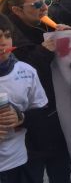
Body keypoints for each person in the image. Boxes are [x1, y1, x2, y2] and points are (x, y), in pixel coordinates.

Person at [1, 0, 71, 183]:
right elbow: (17, 71)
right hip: (29, 135)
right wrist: (43, 52)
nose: (44, 7)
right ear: (16, 10)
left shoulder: (47, 23)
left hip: (55, 124)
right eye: (37, 3)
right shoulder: (9, 34)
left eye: (47, 1)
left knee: (61, 174)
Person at [0, 14, 49, 183]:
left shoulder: (26, 71)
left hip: (19, 162)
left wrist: (21, 117)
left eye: (7, 36)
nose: (4, 42)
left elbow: (41, 113)